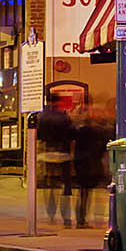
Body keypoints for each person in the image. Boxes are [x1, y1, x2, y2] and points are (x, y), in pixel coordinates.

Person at [70, 102, 113, 229]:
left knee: (84, 193)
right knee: (87, 193)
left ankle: (81, 219)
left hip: (82, 163)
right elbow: (99, 147)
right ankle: (84, 219)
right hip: (90, 164)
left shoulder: (79, 130)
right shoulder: (95, 131)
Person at [34, 93, 75, 225]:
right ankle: (66, 217)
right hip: (62, 155)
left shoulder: (41, 117)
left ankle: (51, 214)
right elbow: (71, 135)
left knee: (49, 187)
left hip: (46, 155)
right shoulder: (63, 117)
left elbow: (38, 135)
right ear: (57, 102)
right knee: (64, 188)